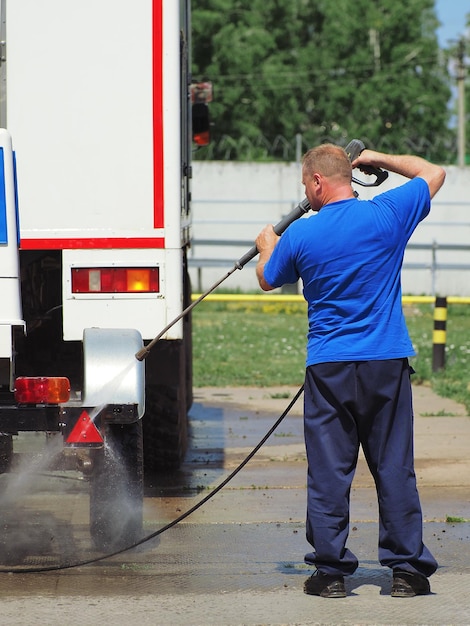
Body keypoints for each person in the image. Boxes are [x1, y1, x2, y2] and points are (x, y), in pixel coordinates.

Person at [255, 144, 446, 599]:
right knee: (394, 467)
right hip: (385, 362)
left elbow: (266, 277)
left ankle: (330, 574)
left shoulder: (301, 235)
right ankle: (406, 572)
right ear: (349, 173)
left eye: (306, 184)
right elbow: (433, 171)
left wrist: (267, 246)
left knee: (328, 472)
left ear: (317, 182)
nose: (306, 191)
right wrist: (377, 157)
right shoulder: (387, 214)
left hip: (329, 366)